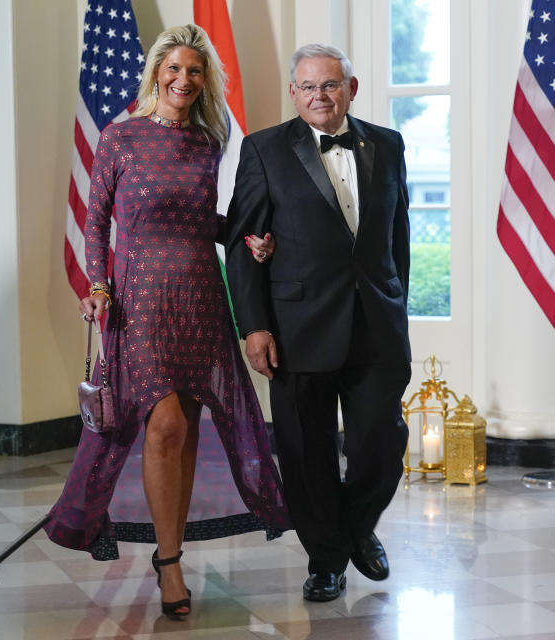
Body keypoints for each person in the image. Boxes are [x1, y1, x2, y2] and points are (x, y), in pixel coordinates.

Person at [44, 24, 290, 620]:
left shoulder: (209, 142)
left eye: (195, 72)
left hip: (201, 299)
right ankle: (170, 565)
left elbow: (208, 223)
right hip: (139, 304)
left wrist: (247, 238)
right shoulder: (121, 138)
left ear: (205, 81)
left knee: (185, 432)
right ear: (157, 72)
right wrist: (97, 286)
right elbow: (96, 221)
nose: (183, 80)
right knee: (165, 426)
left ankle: (169, 550)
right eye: (174, 69)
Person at [225, 43, 411, 602]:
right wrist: (253, 325)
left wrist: (395, 301)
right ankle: (326, 558)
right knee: (306, 454)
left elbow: (397, 235)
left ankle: (357, 527)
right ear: (293, 93)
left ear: (351, 89)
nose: (318, 96)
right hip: (295, 327)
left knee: (381, 443)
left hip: (377, 323)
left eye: (329, 85)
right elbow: (242, 243)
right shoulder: (264, 150)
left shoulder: (389, 143)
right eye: (306, 87)